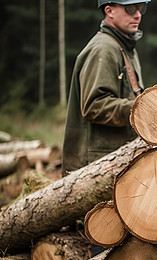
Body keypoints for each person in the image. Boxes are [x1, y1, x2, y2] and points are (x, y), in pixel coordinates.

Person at [62, 0, 150, 175]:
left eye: (141, 8)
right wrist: (142, 107)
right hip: (94, 167)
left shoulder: (125, 48)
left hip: (112, 160)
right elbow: (93, 106)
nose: (138, 14)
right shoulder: (103, 49)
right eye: (130, 8)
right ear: (109, 11)